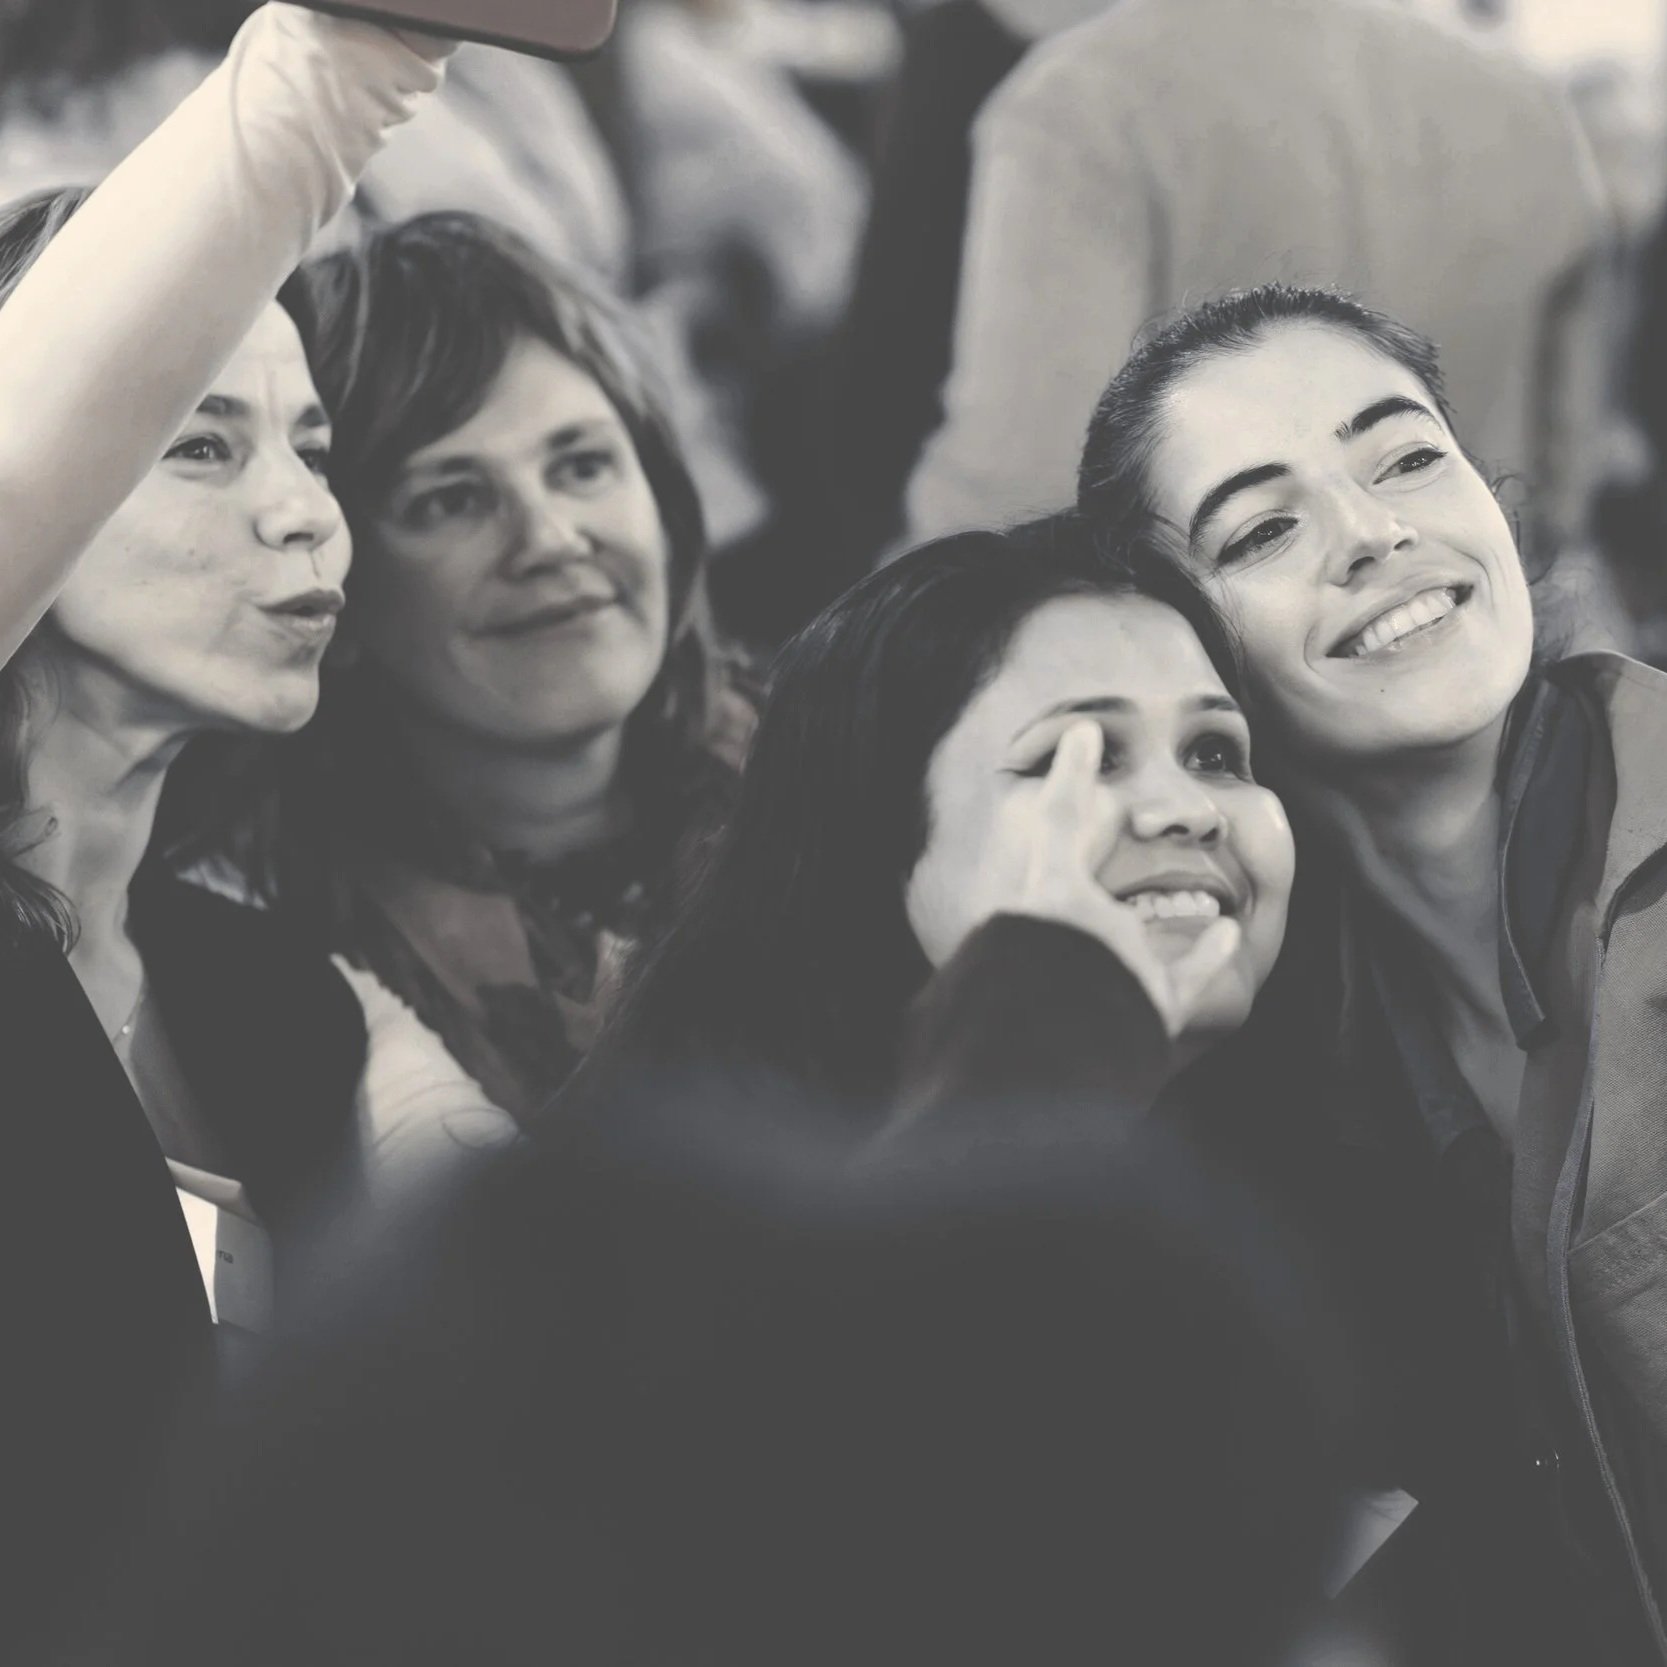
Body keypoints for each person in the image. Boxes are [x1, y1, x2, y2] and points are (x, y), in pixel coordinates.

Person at [0, 7, 520, 1649]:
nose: (305, 509)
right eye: (198, 443)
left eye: (309, 442)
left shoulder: (268, 995)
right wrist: (350, 58)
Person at [1077, 281, 1667, 1662]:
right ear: (1182, 640)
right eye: (1263, 526)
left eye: (1403, 454)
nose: (1373, 533)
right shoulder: (1257, 1044)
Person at [252, 211, 755, 1123]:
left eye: (582, 465)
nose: (551, 541)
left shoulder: (853, 759)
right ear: (332, 574)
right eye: (452, 499)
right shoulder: (274, 953)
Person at [584, 515, 1293, 1122]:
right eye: (1079, 757)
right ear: (875, 854)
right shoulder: (706, 1236)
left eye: (1211, 753)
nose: (1188, 810)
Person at [904, 0, 1613, 575]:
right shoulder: (1524, 101)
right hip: (1468, 662)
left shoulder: (1082, 104)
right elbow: (1563, 481)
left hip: (1218, 701)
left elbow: (1019, 498)